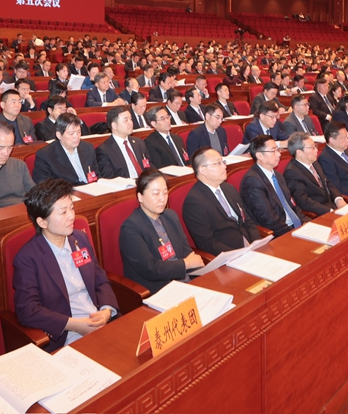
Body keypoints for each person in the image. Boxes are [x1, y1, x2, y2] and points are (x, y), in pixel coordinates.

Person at [13, 179, 118, 352]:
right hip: (68, 335)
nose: (71, 216)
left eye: (72, 208)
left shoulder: (80, 239)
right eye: (63, 212)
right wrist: (75, 325)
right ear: (42, 222)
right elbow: (28, 310)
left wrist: (106, 311)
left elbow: (100, 279)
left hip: (102, 321)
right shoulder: (28, 258)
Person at [119, 169, 205, 295]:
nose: (162, 199)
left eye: (165, 193)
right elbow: (151, 269)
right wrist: (186, 264)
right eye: (156, 193)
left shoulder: (170, 216)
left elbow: (187, 251)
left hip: (185, 282)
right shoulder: (131, 228)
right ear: (140, 197)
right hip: (159, 290)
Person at [182, 147, 262, 255]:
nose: (224, 166)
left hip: (249, 246)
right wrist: (236, 254)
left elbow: (247, 220)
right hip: (227, 255)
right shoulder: (194, 202)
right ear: (202, 170)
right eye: (218, 163)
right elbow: (207, 243)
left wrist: (258, 243)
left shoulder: (229, 188)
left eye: (223, 162)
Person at [239, 135, 304, 237]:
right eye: (273, 151)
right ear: (259, 155)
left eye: (278, 150)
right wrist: (292, 233)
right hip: (279, 233)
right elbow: (267, 218)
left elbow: (291, 204)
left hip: (294, 226)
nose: (279, 154)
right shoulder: (252, 181)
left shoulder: (277, 175)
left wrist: (305, 223)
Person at [283, 132, 345, 216]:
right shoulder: (292, 172)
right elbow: (303, 201)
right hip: (319, 212)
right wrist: (329, 210)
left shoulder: (314, 163)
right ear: (299, 152)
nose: (316, 150)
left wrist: (338, 199)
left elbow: (327, 183)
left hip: (332, 205)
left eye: (315, 146)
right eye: (312, 147)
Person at [33, 113, 100, 184]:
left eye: (79, 132)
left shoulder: (88, 148)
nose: (76, 136)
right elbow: (44, 185)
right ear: (59, 135)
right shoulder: (46, 155)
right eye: (71, 133)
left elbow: (96, 175)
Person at [95, 106, 150, 179]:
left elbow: (149, 166)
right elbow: (109, 178)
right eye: (126, 120)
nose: (130, 123)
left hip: (145, 182)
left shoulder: (139, 142)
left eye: (131, 119)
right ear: (114, 125)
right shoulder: (104, 150)